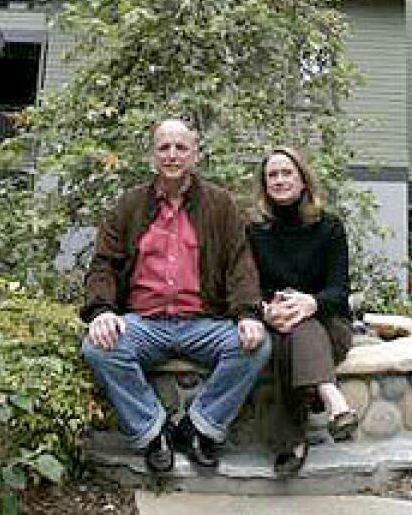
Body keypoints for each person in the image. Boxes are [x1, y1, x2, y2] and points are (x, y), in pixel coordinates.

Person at [80, 118, 270, 473]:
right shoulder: (129, 205)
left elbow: (240, 265)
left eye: (181, 147)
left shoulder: (220, 204)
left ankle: (199, 428)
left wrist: (247, 315)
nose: (172, 155)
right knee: (97, 347)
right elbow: (104, 263)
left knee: (256, 346)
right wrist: (102, 311)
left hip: (202, 322)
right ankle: (153, 433)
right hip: (144, 323)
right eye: (164, 147)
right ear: (153, 155)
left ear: (195, 154)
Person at [248, 146, 358, 475]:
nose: (280, 180)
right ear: (264, 185)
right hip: (275, 319)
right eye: (272, 175)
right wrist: (265, 309)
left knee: (297, 325)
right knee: (288, 330)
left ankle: (292, 442)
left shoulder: (329, 227)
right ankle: (329, 394)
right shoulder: (254, 231)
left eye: (287, 173)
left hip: (328, 322)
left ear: (303, 180)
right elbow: (245, 286)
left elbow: (339, 291)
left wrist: (310, 302)